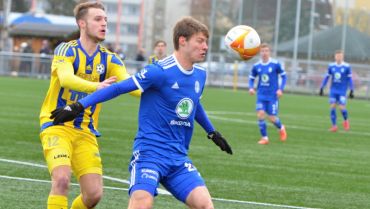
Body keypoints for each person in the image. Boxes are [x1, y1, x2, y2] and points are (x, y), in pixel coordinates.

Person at [50, 16, 232, 209]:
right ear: (182, 41)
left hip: (178, 157)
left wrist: (212, 132)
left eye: (206, 42)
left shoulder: (200, 75)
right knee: (142, 204)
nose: (205, 47)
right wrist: (79, 106)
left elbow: (193, 104)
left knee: (206, 206)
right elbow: (118, 88)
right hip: (150, 154)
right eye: (200, 41)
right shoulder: (159, 71)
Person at [38, 2, 140, 209]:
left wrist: (164, 85)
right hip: (56, 124)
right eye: (98, 19)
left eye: (105, 20)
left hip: (86, 132)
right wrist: (97, 86)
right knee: (62, 180)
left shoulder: (110, 58)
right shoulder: (66, 49)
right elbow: (66, 79)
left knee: (93, 195)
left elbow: (132, 86)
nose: (104, 24)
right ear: (82, 23)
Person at [248, 43, 287, 145]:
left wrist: (280, 89)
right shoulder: (256, 66)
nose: (264, 53)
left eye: (266, 51)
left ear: (269, 52)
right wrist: (251, 88)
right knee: (260, 114)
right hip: (261, 95)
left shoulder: (275, 64)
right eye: (262, 51)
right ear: (260, 53)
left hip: (272, 96)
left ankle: (281, 128)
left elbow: (284, 77)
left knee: (272, 118)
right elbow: (252, 78)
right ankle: (265, 138)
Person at [319, 50, 354, 132]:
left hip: (342, 90)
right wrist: (322, 87)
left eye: (340, 56)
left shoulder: (347, 66)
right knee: (332, 106)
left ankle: (346, 120)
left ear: (342, 57)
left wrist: (352, 90)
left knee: (342, 108)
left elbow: (350, 79)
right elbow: (327, 77)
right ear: (335, 57)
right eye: (337, 56)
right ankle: (334, 126)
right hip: (333, 90)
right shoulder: (331, 66)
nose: (338, 58)